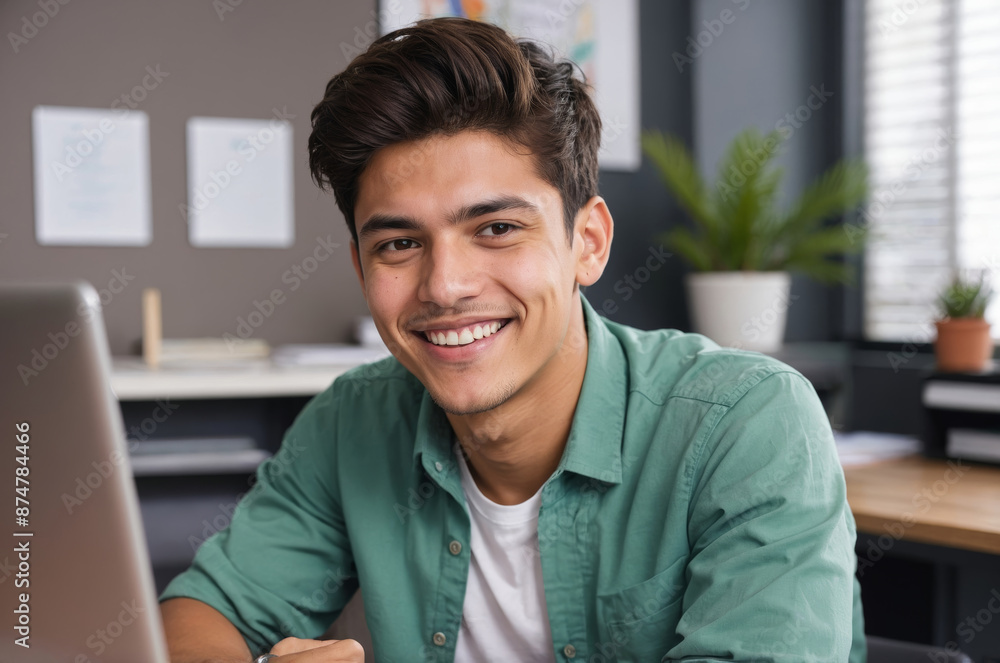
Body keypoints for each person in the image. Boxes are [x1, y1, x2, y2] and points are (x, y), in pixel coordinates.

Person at [159, 17, 865, 663]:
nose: (445, 285)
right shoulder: (352, 421)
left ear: (586, 242)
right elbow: (197, 616)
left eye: (496, 228)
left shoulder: (749, 422)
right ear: (362, 268)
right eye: (400, 243)